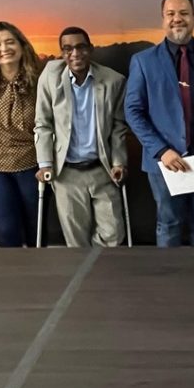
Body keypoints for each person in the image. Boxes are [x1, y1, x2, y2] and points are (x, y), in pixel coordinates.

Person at [125, 0, 194, 247]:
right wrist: (162, 150)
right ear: (163, 19)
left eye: (183, 13)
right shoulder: (143, 61)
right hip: (164, 162)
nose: (177, 19)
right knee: (169, 225)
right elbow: (133, 111)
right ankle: (169, 275)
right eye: (170, 14)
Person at [35, 26, 128, 247]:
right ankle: (84, 267)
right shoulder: (50, 77)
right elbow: (43, 123)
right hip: (66, 173)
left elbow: (118, 126)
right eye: (68, 49)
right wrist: (45, 163)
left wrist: (119, 162)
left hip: (101, 169)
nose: (75, 53)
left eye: (80, 47)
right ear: (62, 53)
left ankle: (97, 262)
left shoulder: (113, 80)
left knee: (113, 234)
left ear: (91, 49)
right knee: (76, 242)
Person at [0, 21, 42, 247]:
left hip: (33, 167)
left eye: (10, 42)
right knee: (6, 231)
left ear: (22, 45)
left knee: (37, 231)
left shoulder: (40, 82)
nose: (4, 49)